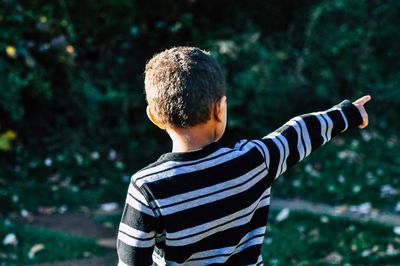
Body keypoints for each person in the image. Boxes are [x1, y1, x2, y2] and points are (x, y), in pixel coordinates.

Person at [116, 46, 371, 266]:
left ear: (154, 117)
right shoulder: (254, 162)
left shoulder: (147, 186)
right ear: (220, 108)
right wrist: (347, 114)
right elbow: (298, 132)